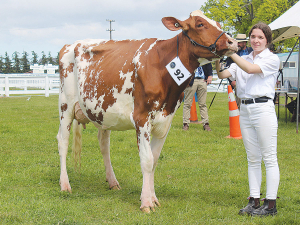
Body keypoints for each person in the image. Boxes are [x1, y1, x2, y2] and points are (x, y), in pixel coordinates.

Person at [216, 22, 280, 216]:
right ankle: (254, 200)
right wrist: (219, 56)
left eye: (260, 37)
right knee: (252, 158)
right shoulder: (242, 58)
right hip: (245, 109)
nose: (256, 40)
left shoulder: (272, 58)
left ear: (267, 40)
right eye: (253, 37)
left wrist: (230, 52)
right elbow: (222, 74)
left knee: (269, 157)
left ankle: (270, 204)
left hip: (263, 108)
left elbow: (251, 69)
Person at [226, 34, 253, 108]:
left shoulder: (252, 51)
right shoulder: (234, 53)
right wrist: (231, 81)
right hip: (238, 81)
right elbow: (228, 67)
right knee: (239, 102)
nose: (238, 44)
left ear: (244, 43)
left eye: (239, 42)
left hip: (251, 80)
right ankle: (238, 118)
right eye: (237, 42)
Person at [182, 63, 212, 131]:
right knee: (187, 103)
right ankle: (186, 123)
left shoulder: (204, 54)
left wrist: (210, 75)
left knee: (203, 104)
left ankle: (206, 124)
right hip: (191, 80)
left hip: (202, 80)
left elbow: (208, 63)